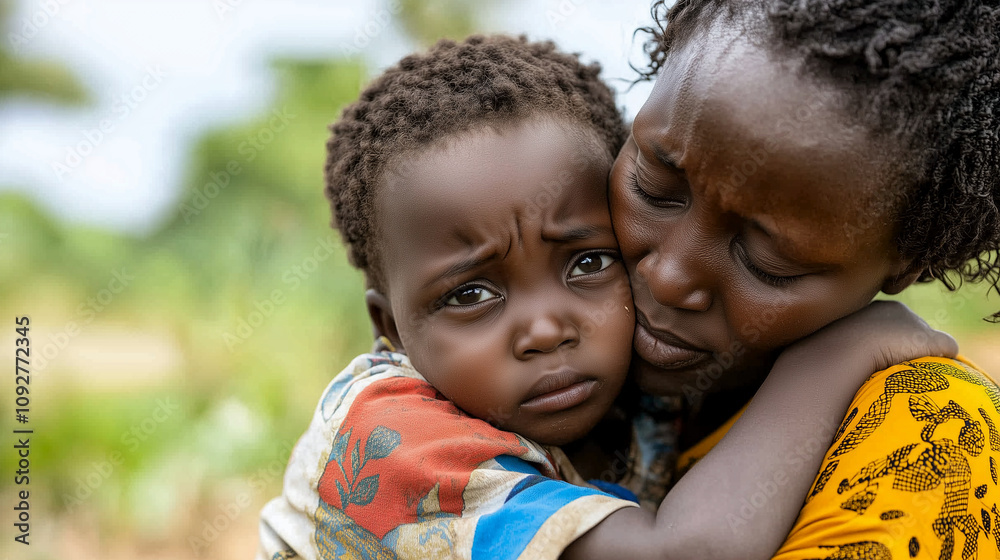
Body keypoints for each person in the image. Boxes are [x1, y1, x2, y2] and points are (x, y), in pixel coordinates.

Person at [255, 34, 956, 560]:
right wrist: (834, 357)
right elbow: (686, 555)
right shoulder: (391, 440)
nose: (547, 327)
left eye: (589, 261)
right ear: (391, 329)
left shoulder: (638, 393)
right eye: (470, 293)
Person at [606, 0, 1000, 558]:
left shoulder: (930, 438)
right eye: (653, 187)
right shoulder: (509, 280)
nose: (669, 278)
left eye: (771, 262)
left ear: (907, 263)